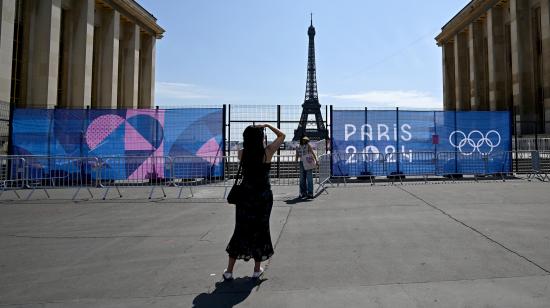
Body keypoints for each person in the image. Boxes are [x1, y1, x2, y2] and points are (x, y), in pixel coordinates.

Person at [224, 124, 285, 280]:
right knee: (261, 230)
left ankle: (229, 271)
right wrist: (267, 126)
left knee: (240, 230)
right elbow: (282, 136)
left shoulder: (241, 153)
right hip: (262, 196)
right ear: (260, 138)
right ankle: (256, 270)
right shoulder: (267, 153)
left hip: (245, 195)